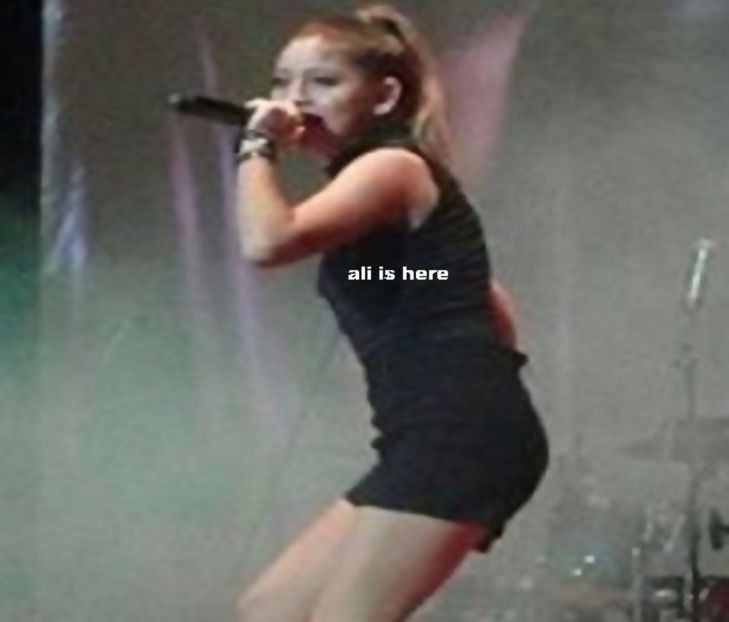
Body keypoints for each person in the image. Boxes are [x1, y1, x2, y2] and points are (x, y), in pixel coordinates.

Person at [233, 5, 549, 622]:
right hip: (437, 434)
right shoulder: (391, 209)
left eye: (323, 82)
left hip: (456, 436)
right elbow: (480, 299)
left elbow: (268, 242)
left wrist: (256, 144)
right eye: (282, 83)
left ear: (384, 97)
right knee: (269, 609)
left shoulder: (391, 167)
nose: (295, 100)